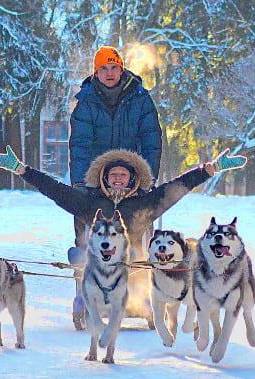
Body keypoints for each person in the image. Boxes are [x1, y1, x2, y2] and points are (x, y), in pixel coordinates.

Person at [0, 145, 247, 328]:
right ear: (104, 178)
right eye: (113, 175)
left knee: (137, 256)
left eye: (123, 175)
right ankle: (86, 299)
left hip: (132, 263)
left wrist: (209, 170)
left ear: (132, 178)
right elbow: (54, 189)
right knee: (78, 256)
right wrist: (22, 170)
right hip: (94, 261)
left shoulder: (145, 204)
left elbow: (177, 187)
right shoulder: (88, 202)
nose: (118, 179)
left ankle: (140, 301)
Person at [68, 46, 163, 328]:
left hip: (132, 178)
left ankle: (140, 295)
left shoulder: (140, 98)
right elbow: (80, 145)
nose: (109, 74)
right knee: (88, 234)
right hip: (95, 181)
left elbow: (151, 139)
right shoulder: (86, 102)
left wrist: (148, 178)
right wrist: (80, 184)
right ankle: (85, 295)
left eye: (113, 68)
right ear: (95, 72)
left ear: (121, 69)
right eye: (103, 69)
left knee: (137, 237)